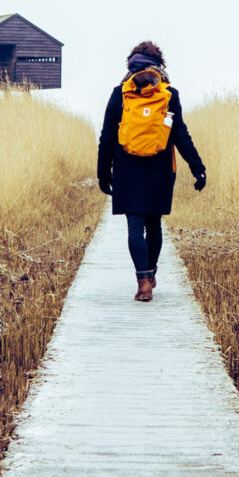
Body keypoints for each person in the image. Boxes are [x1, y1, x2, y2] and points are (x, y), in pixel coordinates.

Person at [97, 41, 207, 302]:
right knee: (153, 222)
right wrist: (197, 167)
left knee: (135, 223)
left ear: (131, 64)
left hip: (127, 166)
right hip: (160, 168)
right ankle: (151, 273)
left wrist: (103, 172)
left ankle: (143, 280)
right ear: (159, 63)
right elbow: (180, 134)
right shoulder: (169, 94)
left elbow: (107, 136)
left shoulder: (120, 93)